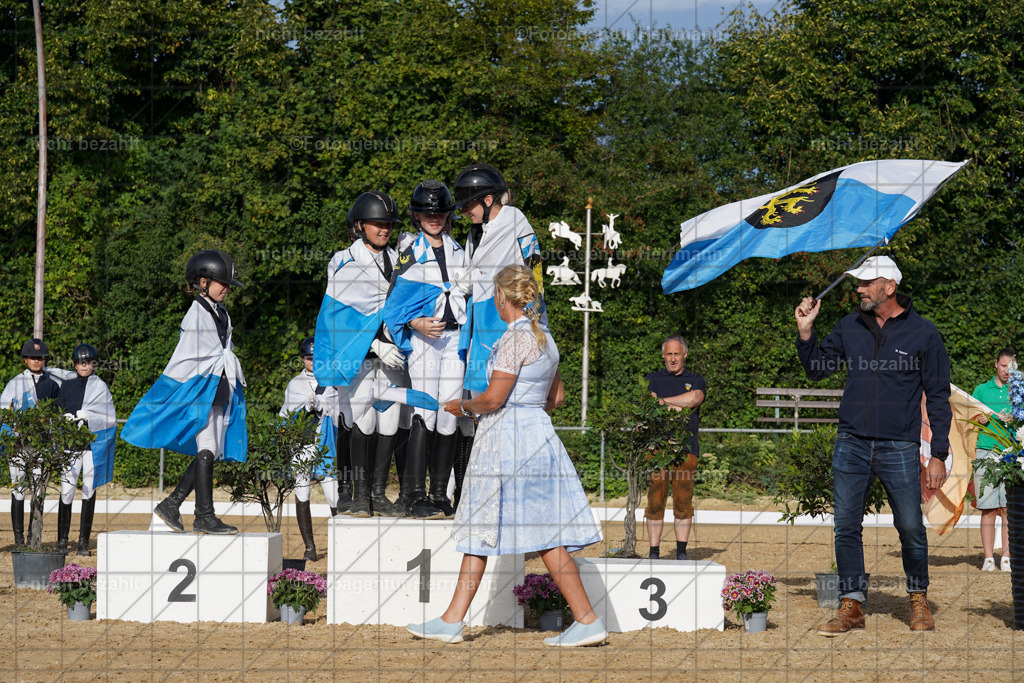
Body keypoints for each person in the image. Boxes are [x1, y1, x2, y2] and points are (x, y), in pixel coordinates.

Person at [407, 264, 606, 648]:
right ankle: (583, 618)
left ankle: (584, 619)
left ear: (502, 297)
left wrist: (462, 406)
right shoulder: (545, 338)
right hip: (537, 434)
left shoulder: (515, 340)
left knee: (490, 527)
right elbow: (557, 398)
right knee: (543, 532)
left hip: (507, 438)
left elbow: (494, 399)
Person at [795, 255, 952, 635]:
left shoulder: (925, 334)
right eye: (859, 283)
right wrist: (805, 332)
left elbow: (938, 396)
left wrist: (939, 454)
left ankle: (917, 597)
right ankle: (851, 605)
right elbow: (818, 368)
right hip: (851, 442)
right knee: (846, 525)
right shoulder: (849, 325)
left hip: (899, 445)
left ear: (890, 287)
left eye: (867, 283)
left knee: (911, 526)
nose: (860, 289)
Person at [122, 249, 247, 535]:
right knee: (206, 449)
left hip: (217, 387)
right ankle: (203, 515)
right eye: (222, 283)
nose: (226, 289)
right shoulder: (197, 312)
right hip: (200, 387)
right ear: (203, 282)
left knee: (212, 450)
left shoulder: (221, 312)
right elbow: (190, 356)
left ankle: (171, 504)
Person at [451, 163, 543, 511]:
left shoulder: (516, 221)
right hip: (476, 325)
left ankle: (503, 496)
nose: (463, 211)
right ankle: (467, 494)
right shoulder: (476, 231)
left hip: (504, 324)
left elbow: (535, 271)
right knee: (472, 416)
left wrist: (535, 323)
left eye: (468, 204)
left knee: (496, 411)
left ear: (488, 199)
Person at [313, 191, 407, 518]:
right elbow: (339, 317)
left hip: (395, 353)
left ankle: (379, 493)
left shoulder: (399, 260)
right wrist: (373, 344)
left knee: (391, 421)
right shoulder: (344, 261)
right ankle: (357, 494)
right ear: (360, 225)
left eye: (388, 224)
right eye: (378, 223)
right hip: (361, 355)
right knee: (360, 419)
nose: (384, 229)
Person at [382, 180, 469, 519]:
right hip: (424, 339)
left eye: (440, 213)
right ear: (417, 216)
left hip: (454, 338)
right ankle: (415, 494)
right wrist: (415, 323)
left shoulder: (460, 250)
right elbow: (394, 305)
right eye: (427, 213)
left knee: (450, 413)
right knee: (426, 411)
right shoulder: (409, 252)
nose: (434, 219)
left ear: (447, 215)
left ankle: (439, 494)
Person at [644, 334, 706, 561]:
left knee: (683, 501)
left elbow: (694, 399)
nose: (672, 358)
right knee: (655, 501)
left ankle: (681, 552)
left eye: (676, 354)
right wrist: (679, 404)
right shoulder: (652, 379)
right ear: (663, 355)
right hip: (656, 449)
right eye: (669, 354)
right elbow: (650, 403)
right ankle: (654, 552)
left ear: (684, 355)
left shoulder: (697, 379)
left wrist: (662, 401)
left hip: (686, 448)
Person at [1, 338, 67, 547]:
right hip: (19, 445)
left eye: (40, 358)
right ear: (26, 359)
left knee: (38, 490)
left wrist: (55, 448)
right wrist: (9, 443)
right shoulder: (15, 383)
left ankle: (33, 537)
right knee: (18, 491)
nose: (36, 361)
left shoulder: (52, 385)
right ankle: (19, 538)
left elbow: (56, 418)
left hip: (41, 446)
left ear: (44, 359)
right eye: (32, 357)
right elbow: (5, 413)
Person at [280, 336, 340, 560]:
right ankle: (309, 547)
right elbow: (285, 414)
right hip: (302, 444)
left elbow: (338, 414)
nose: (312, 362)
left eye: (316, 358)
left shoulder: (333, 383)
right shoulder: (295, 384)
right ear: (302, 359)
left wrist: (321, 406)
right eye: (307, 358)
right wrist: (305, 407)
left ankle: (339, 543)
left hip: (325, 444)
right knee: (302, 492)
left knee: (332, 495)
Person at [55, 343, 116, 556]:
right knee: (67, 491)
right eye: (81, 362)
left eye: (88, 362)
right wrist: (64, 418)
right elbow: (59, 408)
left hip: (92, 446)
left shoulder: (101, 387)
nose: (84, 366)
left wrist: (88, 416)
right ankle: (62, 540)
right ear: (75, 364)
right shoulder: (66, 386)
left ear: (93, 365)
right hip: (70, 446)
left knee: (89, 490)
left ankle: (83, 542)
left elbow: (109, 417)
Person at [972, 347, 1016, 572]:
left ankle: (1007, 556)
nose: (1007, 370)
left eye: (1011, 366)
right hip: (985, 453)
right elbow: (970, 421)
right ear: (995, 365)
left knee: (1009, 507)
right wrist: (978, 419)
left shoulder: (1020, 390)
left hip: (1012, 454)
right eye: (1003, 365)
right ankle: (989, 558)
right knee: (987, 508)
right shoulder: (980, 390)